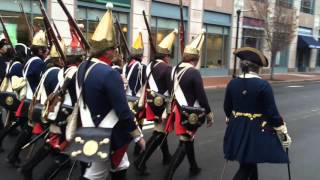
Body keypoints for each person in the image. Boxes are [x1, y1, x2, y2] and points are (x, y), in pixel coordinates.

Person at [75, 3, 145, 180]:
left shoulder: (83, 67)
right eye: (113, 48)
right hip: (104, 132)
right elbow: (123, 110)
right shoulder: (109, 73)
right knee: (93, 175)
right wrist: (137, 136)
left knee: (121, 164)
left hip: (86, 126)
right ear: (107, 51)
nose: (115, 51)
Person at [223, 47, 292, 180]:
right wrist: (282, 133)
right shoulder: (263, 85)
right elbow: (272, 113)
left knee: (249, 160)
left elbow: (227, 108)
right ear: (258, 68)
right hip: (254, 131)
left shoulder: (232, 83)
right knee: (246, 167)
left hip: (236, 128)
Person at [164, 32, 214, 180]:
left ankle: (193, 167)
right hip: (189, 113)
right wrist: (209, 113)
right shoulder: (194, 72)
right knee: (184, 143)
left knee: (187, 140)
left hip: (177, 110)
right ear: (196, 59)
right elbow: (201, 96)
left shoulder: (173, 70)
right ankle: (168, 176)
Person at [134, 29, 177, 175]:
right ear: (165, 56)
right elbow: (171, 90)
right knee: (159, 133)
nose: (168, 58)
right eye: (168, 56)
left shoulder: (149, 66)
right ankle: (141, 161)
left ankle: (166, 156)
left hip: (151, 104)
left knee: (160, 130)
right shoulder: (166, 68)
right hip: (161, 105)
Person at [6, 30, 48, 167]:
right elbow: (34, 78)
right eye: (45, 49)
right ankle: (13, 156)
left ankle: (13, 155)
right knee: (27, 131)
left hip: (28, 99)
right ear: (41, 50)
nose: (47, 51)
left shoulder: (30, 60)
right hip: (32, 100)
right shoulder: (38, 63)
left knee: (25, 130)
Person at [0, 43, 30, 151]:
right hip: (13, 96)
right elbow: (16, 84)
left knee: (12, 121)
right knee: (9, 122)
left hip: (9, 95)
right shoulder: (17, 65)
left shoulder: (13, 63)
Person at [122, 31, 146, 155]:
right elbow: (143, 85)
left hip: (125, 98)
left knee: (128, 124)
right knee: (137, 124)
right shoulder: (141, 67)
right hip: (136, 99)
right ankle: (138, 148)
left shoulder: (126, 65)